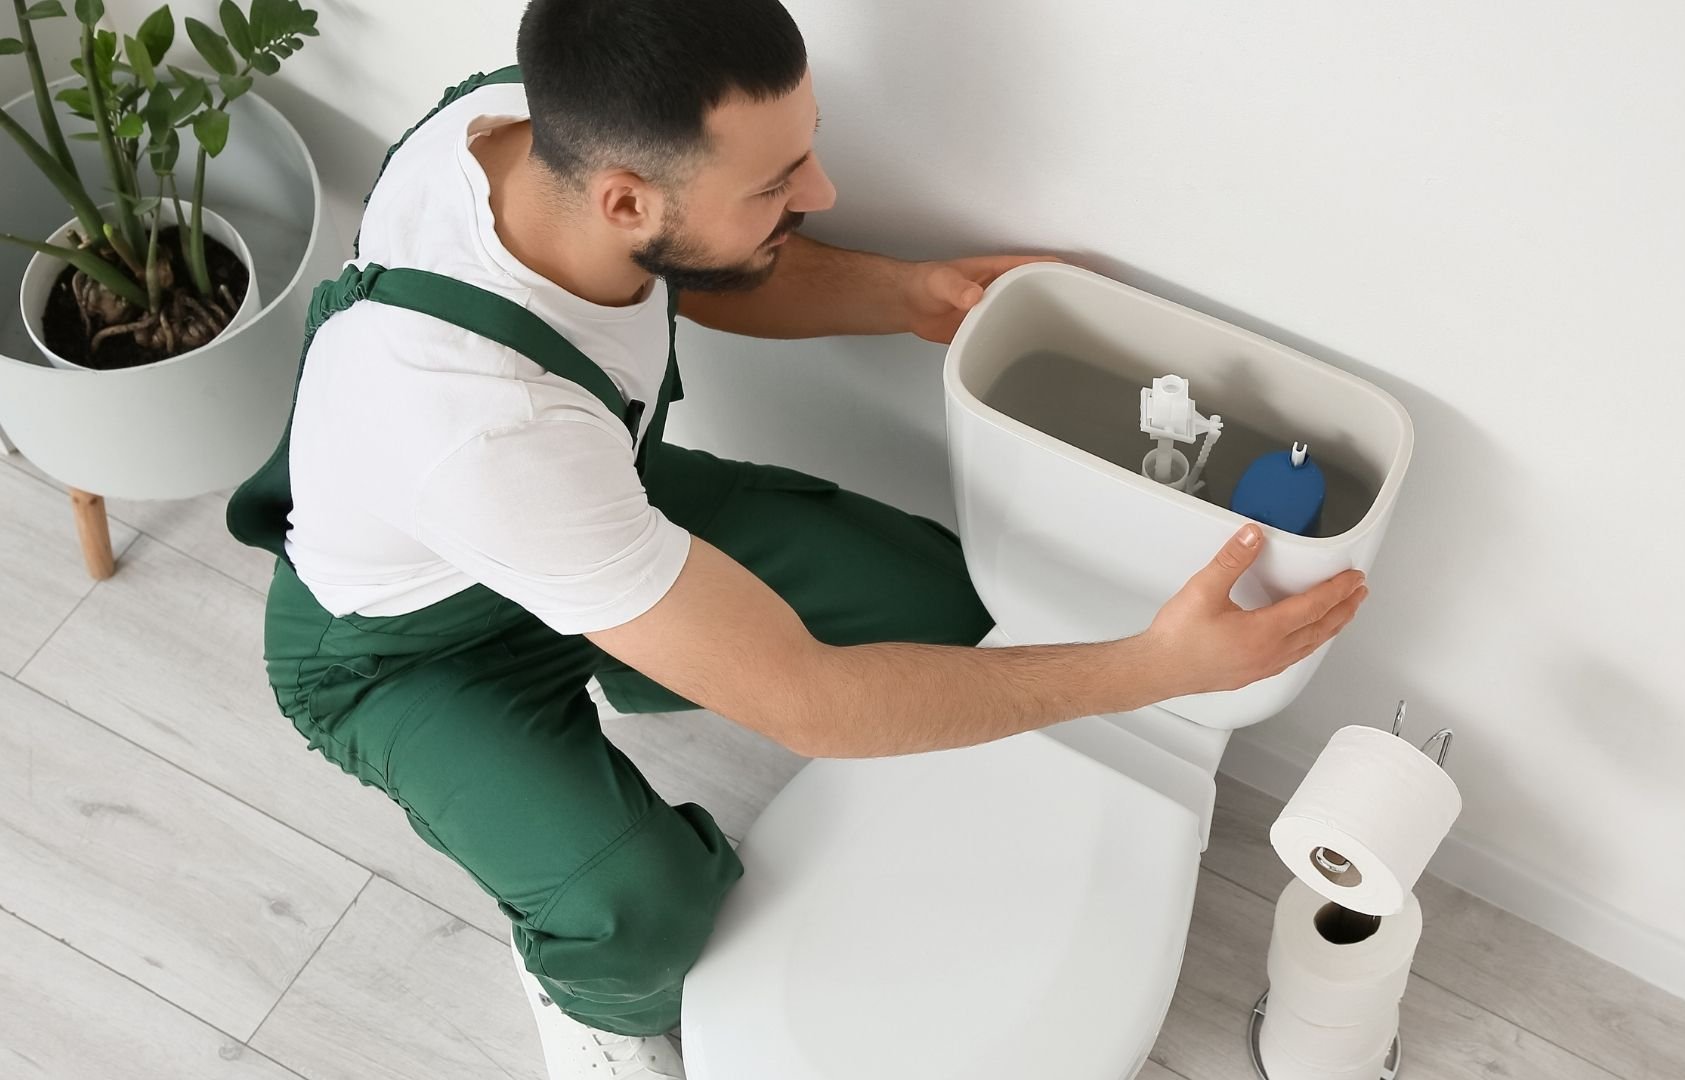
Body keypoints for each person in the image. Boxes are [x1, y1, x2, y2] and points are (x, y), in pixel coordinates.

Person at [224, 0, 1370, 1076]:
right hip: (406, 653)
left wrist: (912, 295)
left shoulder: (520, 133)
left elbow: (688, 270)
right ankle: (585, 997)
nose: (821, 185)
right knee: (642, 912)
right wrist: (1153, 671)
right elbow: (812, 705)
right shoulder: (485, 430)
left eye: (805, 148)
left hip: (591, 505)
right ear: (623, 196)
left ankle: (637, 654)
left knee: (950, 614)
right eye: (780, 179)